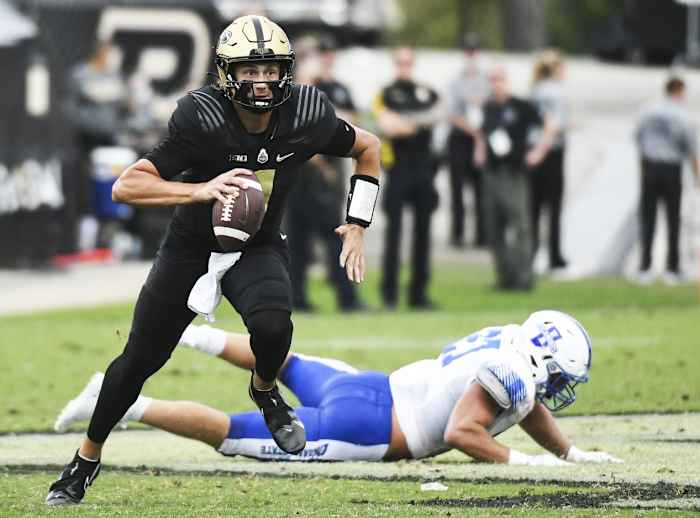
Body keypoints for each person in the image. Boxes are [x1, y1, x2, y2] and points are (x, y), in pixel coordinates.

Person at [46, 15, 381, 506]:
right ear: (227, 73)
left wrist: (357, 223)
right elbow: (126, 185)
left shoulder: (306, 114)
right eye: (250, 70)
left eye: (271, 70)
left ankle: (264, 390)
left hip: (257, 245)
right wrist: (200, 189)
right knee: (139, 361)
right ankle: (86, 458)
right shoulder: (202, 118)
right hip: (190, 248)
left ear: (286, 71)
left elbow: (368, 147)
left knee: (274, 327)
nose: (262, 81)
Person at [55, 311, 622, 467]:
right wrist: (524, 463)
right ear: (545, 359)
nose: (559, 387)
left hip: (370, 387)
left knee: (286, 361)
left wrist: (569, 452)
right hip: (371, 428)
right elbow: (462, 431)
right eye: (561, 375)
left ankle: (189, 333)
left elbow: (526, 408)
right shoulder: (516, 375)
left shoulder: (511, 344)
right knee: (231, 433)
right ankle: (123, 402)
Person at [285, 36, 364, 312]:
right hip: (307, 175)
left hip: (314, 174)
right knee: (311, 237)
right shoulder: (295, 96)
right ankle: (335, 298)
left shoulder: (319, 94)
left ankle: (335, 297)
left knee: (314, 236)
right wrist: (323, 167)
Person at [374, 47, 443, 309]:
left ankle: (418, 294)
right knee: (394, 234)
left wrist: (405, 121)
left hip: (424, 169)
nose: (405, 66)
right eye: (400, 62)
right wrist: (418, 122)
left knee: (423, 233)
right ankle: (390, 294)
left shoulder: (426, 91)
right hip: (399, 168)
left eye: (408, 62)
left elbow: (440, 113)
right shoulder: (386, 93)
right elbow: (388, 126)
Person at [475, 65, 555, 291]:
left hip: (514, 173)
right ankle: (505, 277)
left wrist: (538, 152)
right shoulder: (488, 107)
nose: (496, 84)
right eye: (492, 79)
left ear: (506, 81)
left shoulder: (521, 106)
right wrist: (479, 150)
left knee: (520, 226)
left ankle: (523, 278)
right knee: (494, 227)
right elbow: (483, 132)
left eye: (500, 79)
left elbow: (549, 124)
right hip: (492, 172)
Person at [634, 76, 700, 285]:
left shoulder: (648, 111)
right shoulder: (681, 115)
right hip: (671, 168)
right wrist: (697, 176)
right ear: (679, 90)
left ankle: (645, 267)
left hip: (650, 167)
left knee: (648, 218)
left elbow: (638, 138)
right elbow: (691, 148)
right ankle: (672, 268)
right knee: (673, 219)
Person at [446, 33, 490, 248]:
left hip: (480, 139)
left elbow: (489, 109)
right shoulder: (455, 81)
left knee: (481, 189)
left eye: (474, 51)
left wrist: (480, 137)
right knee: (457, 189)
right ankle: (458, 233)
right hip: (460, 138)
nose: (471, 56)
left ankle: (482, 235)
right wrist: (473, 131)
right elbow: (452, 114)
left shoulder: (485, 81)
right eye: (468, 51)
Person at [530, 50, 569, 272]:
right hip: (550, 152)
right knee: (553, 207)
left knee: (534, 207)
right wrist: (541, 151)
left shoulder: (535, 89)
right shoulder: (554, 92)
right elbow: (551, 125)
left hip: (534, 150)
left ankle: (532, 252)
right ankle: (555, 256)